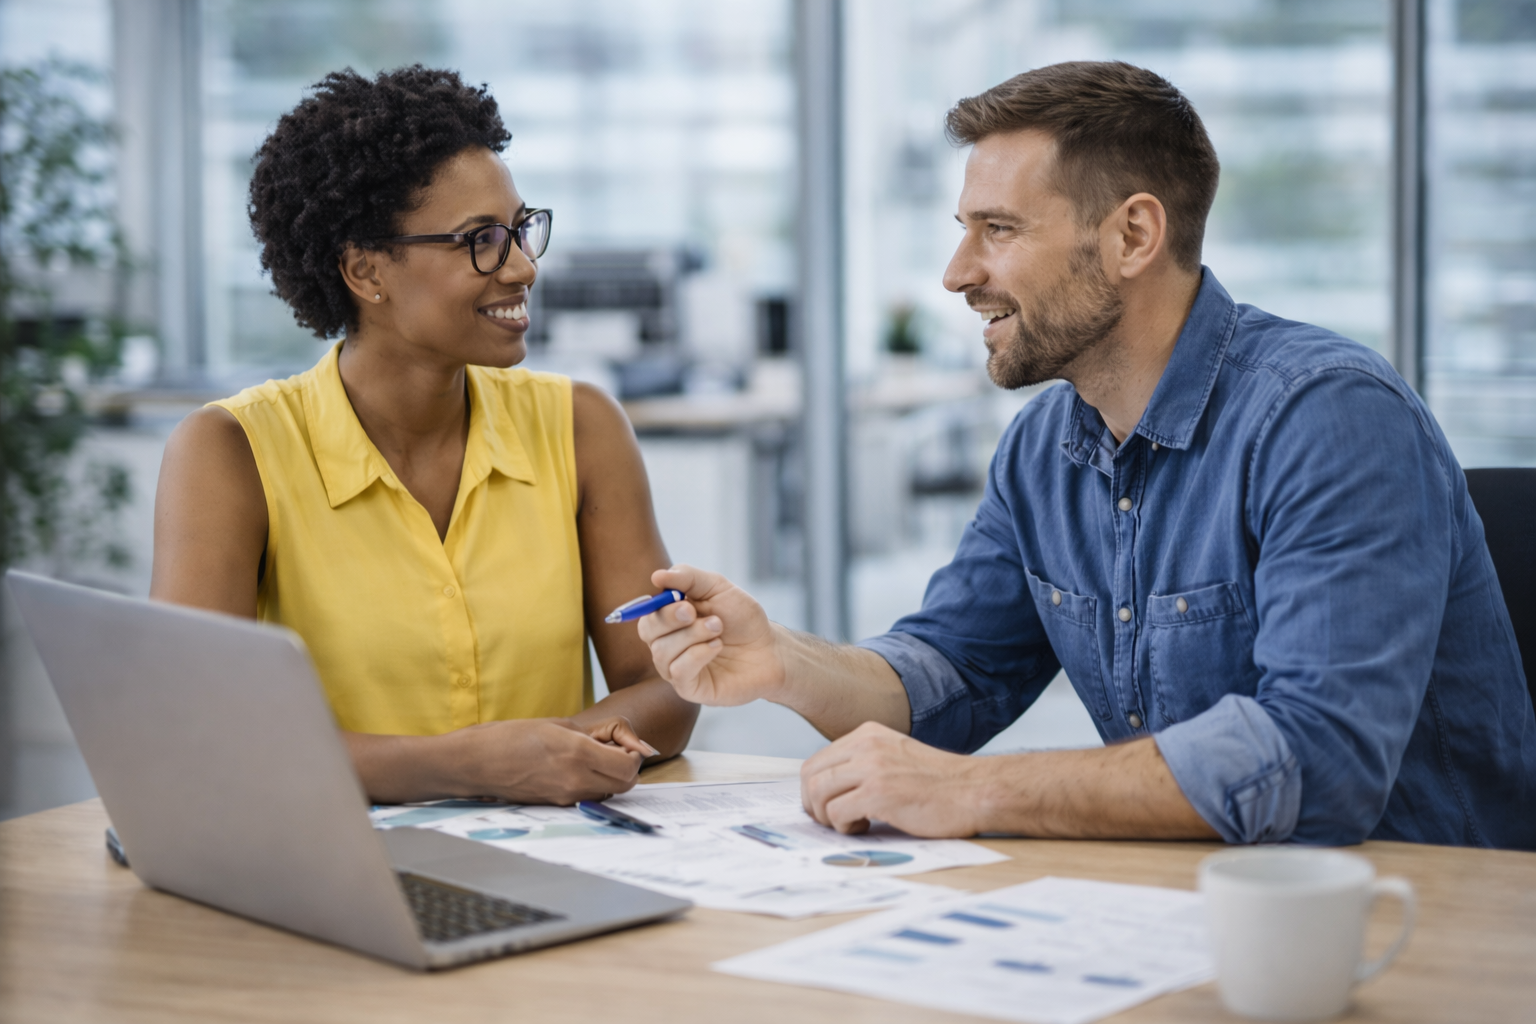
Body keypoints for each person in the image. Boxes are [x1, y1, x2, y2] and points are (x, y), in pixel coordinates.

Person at [639, 61, 1536, 849]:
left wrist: (974, 791)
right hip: (1179, 910)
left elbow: (1319, 760)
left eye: (998, 229)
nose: (955, 273)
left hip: (1411, 916)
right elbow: (952, 678)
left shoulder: (1328, 416)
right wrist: (783, 660)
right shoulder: (1044, 447)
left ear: (1133, 237)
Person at [152, 66, 697, 805]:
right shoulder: (230, 453)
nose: (523, 267)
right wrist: (479, 764)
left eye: (521, 228)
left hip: (556, 853)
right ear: (365, 270)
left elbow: (661, 680)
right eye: (480, 240)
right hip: (330, 874)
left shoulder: (580, 425)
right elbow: (199, 731)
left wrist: (563, 752)